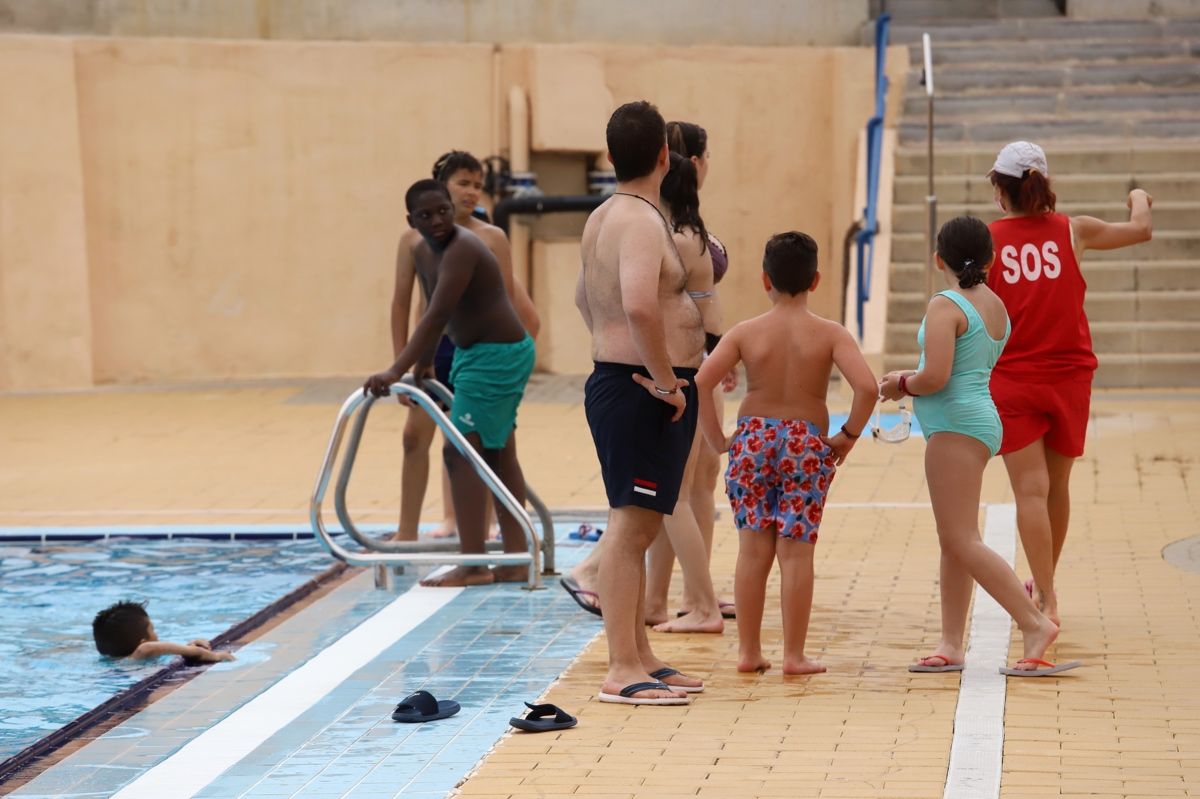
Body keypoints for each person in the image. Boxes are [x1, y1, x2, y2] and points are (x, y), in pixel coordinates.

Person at [880, 216, 1076, 676]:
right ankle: (951, 642)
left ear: (938, 259)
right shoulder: (995, 306)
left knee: (960, 538)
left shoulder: (944, 305)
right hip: (980, 419)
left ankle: (1034, 622)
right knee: (955, 538)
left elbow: (936, 377)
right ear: (991, 259)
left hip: (955, 424)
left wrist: (899, 383)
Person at [985, 141, 1153, 626]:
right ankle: (1046, 588)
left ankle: (1048, 598)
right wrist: (1139, 194)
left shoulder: (988, 240)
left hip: (1013, 378)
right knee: (1056, 489)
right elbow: (1141, 229)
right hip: (1070, 376)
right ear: (1044, 184)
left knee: (1030, 492)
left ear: (1000, 190)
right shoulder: (1073, 230)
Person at [696, 232, 877, 675]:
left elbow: (701, 380)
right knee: (796, 553)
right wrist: (848, 435)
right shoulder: (830, 334)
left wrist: (718, 440)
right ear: (815, 281)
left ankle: (749, 653)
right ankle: (794, 656)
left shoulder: (745, 333)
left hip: (753, 439)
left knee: (752, 550)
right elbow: (868, 387)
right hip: (804, 445)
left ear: (765, 280)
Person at [576, 100, 704, 704]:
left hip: (621, 381)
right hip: (643, 390)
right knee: (631, 527)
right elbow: (640, 304)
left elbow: (584, 298)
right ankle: (621, 667)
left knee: (644, 522)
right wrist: (664, 379)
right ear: (663, 156)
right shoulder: (642, 222)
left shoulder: (602, 216)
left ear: (609, 157)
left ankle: (641, 655)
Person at [365, 179, 535, 587]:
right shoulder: (423, 251)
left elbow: (437, 315)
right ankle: (514, 557)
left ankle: (474, 563)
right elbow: (431, 309)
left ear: (452, 210)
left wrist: (395, 370)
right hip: (473, 355)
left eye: (442, 211)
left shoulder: (462, 249)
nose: (437, 220)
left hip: (496, 356)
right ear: (411, 220)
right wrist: (424, 365)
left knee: (461, 455)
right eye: (425, 215)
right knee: (496, 454)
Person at [390, 151, 540, 541]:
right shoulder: (415, 243)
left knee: (481, 444)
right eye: (464, 183)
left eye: (478, 185)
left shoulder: (484, 239)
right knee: (423, 438)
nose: (473, 192)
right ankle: (412, 531)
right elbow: (405, 305)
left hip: (482, 351)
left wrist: (395, 371)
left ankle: (486, 536)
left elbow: (504, 305)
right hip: (436, 348)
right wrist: (407, 364)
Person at [641, 151, 725, 634]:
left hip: (683, 368)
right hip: (692, 364)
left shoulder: (675, 235)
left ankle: (702, 602)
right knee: (683, 491)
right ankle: (664, 600)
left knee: (677, 494)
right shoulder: (683, 231)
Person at [666, 121, 738, 622]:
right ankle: (697, 598)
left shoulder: (687, 221)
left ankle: (696, 592)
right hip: (686, 363)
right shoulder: (670, 226)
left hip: (699, 360)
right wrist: (717, 354)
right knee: (676, 484)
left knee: (703, 476)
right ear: (694, 162)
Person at [92, 600, 234, 663]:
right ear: (143, 641)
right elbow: (147, 648)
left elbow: (159, 651)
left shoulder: (114, 662)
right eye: (152, 629)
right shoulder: (133, 658)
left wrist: (188, 646)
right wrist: (210, 655)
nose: (156, 635)